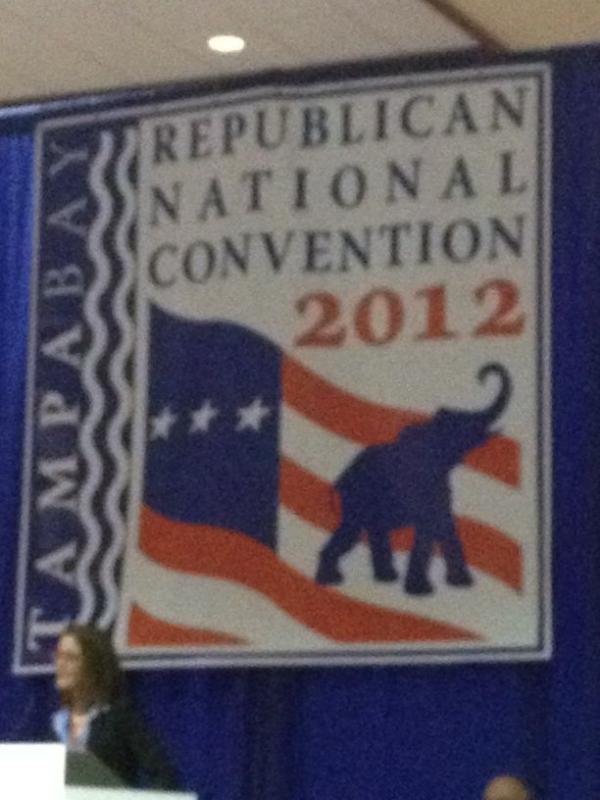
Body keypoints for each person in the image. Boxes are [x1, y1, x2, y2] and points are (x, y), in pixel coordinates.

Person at [50, 623, 180, 789]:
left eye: (71, 658)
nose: (60, 664)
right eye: (58, 655)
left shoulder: (120, 719)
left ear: (93, 665)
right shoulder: (54, 724)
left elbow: (165, 775)